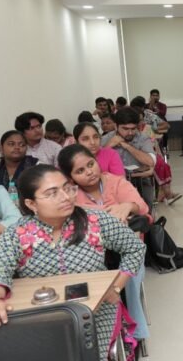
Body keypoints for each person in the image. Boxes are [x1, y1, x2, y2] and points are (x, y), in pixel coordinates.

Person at [0, 165, 145, 361]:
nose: (65, 197)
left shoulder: (96, 221)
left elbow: (135, 249)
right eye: (52, 193)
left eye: (67, 188)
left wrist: (116, 287)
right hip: (41, 316)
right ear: (31, 203)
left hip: (94, 311)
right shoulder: (18, 233)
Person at [58, 144, 151, 341]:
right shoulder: (70, 196)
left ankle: (136, 332)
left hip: (127, 249)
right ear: (70, 177)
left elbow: (142, 207)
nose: (89, 172)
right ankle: (97, 331)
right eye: (80, 171)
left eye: (91, 164)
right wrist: (105, 214)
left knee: (130, 276)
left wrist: (127, 206)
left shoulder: (115, 182)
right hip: (91, 253)